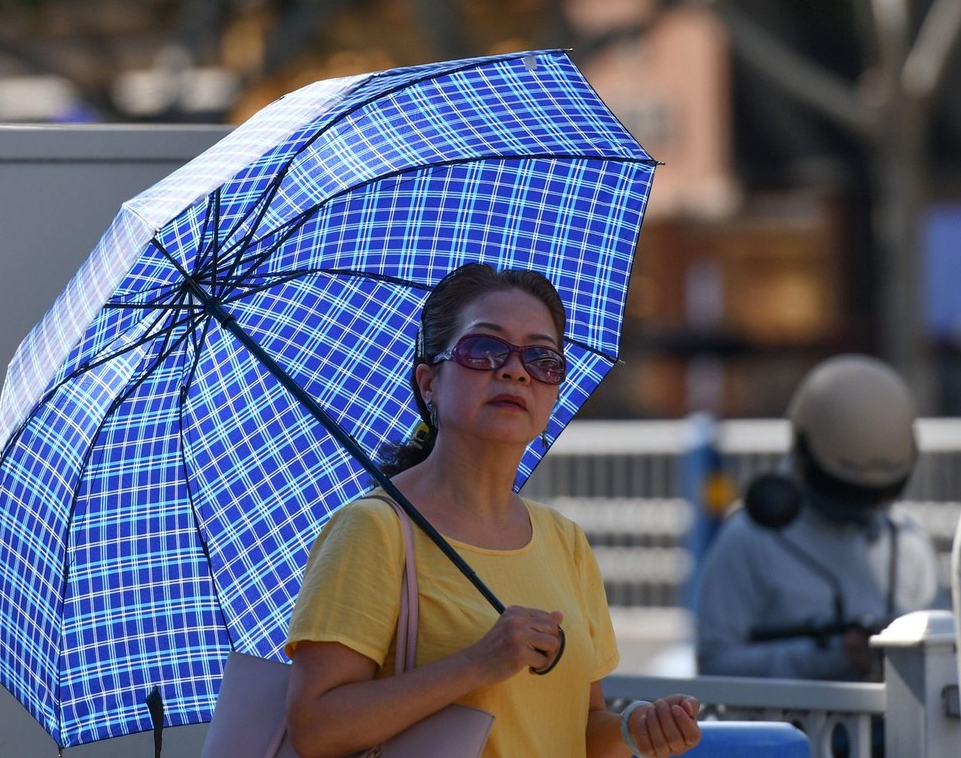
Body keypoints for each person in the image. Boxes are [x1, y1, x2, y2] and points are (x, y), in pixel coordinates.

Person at [284, 263, 701, 758]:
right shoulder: (375, 529)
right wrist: (479, 663)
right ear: (428, 382)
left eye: (542, 359)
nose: (515, 370)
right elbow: (315, 728)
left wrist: (635, 728)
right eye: (484, 349)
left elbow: (580, 729)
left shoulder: (563, 540)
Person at [694, 354, 941, 681]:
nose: (858, 505)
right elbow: (715, 663)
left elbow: (940, 651)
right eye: (845, 490)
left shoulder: (907, 541)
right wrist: (831, 656)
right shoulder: (749, 538)